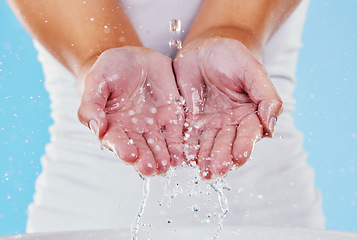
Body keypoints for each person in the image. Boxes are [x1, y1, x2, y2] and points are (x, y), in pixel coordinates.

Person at [8, 0, 325, 234]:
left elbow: (237, 19)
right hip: (89, 218)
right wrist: (99, 54)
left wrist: (228, 33)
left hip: (269, 218)